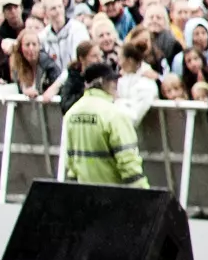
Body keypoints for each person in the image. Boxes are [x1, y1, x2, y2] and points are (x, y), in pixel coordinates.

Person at [60, 50, 146, 186]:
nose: (116, 85)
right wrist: (144, 196)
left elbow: (71, 162)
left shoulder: (72, 113)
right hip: (113, 194)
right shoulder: (114, 114)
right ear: (102, 82)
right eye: (113, 80)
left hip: (85, 195)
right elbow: (128, 160)